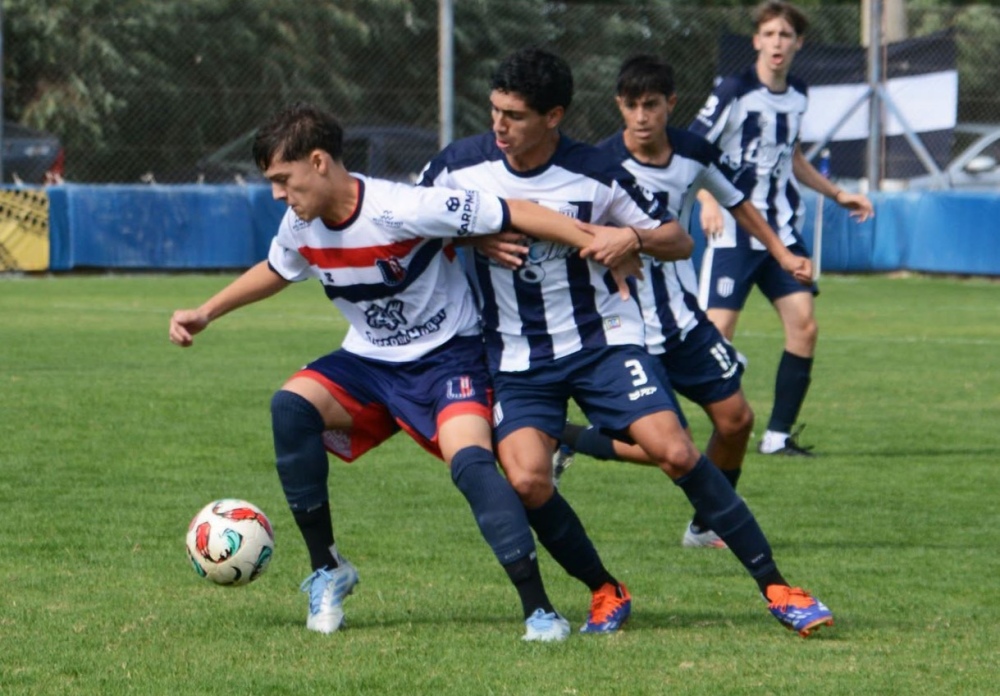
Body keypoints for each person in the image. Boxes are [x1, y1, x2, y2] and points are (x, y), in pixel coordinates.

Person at [168, 102, 640, 642]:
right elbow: (278, 270)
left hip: (449, 360)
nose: (278, 194)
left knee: (474, 468)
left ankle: (539, 610)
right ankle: (328, 569)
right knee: (291, 407)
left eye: (283, 179)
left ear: (319, 162)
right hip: (369, 364)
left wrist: (596, 241)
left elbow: (513, 212)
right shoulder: (301, 224)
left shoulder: (402, 207)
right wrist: (206, 312)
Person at [420, 47, 834, 638]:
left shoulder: (594, 171)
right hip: (515, 360)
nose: (499, 126)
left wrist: (629, 237)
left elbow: (676, 239)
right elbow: (407, 222)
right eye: (494, 111)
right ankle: (604, 589)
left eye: (514, 115)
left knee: (676, 450)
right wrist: (471, 237)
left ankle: (778, 587)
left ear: (554, 115)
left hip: (602, 344)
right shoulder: (457, 167)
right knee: (529, 481)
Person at [554, 54, 813, 549]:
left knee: (737, 420)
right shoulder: (599, 164)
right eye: (631, 106)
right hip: (624, 324)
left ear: (670, 104)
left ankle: (705, 525)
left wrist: (781, 253)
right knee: (665, 448)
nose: (642, 116)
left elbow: (740, 203)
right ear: (619, 106)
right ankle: (567, 437)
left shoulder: (695, 152)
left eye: (651, 105)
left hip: (682, 319)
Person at [690, 0, 874, 456]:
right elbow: (692, 148)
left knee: (805, 326)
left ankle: (777, 436)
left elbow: (791, 157)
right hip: (733, 230)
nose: (777, 43)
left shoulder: (798, 95)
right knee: (713, 339)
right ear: (756, 40)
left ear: (797, 44)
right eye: (769, 34)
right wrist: (707, 199)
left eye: (785, 35)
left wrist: (837, 193)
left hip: (781, 233)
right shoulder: (734, 90)